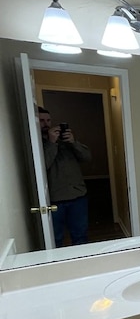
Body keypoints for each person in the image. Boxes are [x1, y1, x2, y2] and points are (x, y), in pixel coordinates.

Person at [38, 106, 92, 247]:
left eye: (48, 120)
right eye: (42, 120)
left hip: (78, 195)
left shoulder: (66, 142)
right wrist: (51, 143)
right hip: (54, 200)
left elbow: (87, 157)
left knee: (80, 235)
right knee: (55, 239)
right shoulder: (37, 144)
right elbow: (42, 166)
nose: (46, 124)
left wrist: (73, 142)